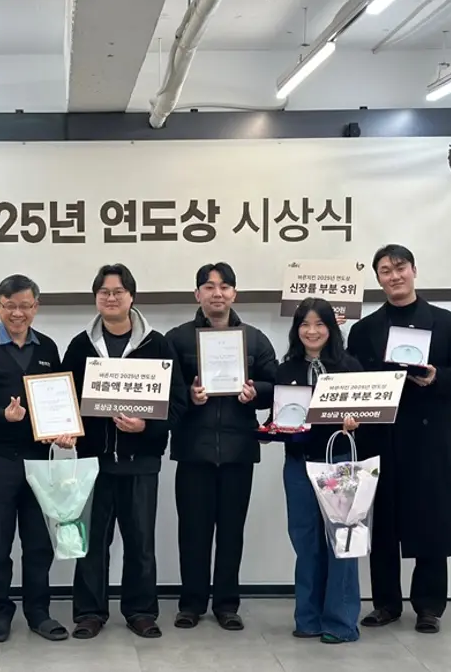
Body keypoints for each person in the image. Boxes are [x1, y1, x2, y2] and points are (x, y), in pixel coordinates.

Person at [348, 244, 451, 635]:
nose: (394, 276)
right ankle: (386, 603)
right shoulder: (364, 329)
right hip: (380, 439)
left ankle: (429, 607)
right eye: (385, 271)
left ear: (414, 270)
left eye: (400, 267)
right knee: (383, 525)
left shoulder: (447, 322)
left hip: (430, 441)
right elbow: (351, 380)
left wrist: (438, 377)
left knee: (431, 523)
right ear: (378, 279)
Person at [61, 264, 186, 640]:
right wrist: (64, 429)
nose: (110, 298)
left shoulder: (157, 345)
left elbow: (178, 405)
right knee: (91, 544)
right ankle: (89, 613)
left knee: (141, 544)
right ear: (95, 298)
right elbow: (64, 399)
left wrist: (146, 427)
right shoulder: (81, 346)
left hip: (140, 463)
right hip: (93, 463)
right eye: (103, 292)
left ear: (132, 296)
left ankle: (141, 611)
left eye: (118, 291)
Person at [0, 274, 75, 643]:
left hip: (39, 459)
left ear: (36, 307)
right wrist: (1, 414)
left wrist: (63, 430)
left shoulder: (48, 348)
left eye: (25, 306)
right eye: (10, 306)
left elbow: (58, 397)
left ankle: (39, 612)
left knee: (39, 542)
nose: (18, 313)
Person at [165, 262, 278, 631]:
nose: (218, 293)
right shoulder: (178, 339)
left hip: (238, 451)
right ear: (197, 294)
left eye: (225, 286)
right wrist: (189, 395)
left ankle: (227, 604)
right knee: (192, 533)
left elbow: (276, 388)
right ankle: (191, 604)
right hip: (193, 451)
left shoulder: (255, 339)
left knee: (231, 533)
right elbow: (166, 393)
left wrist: (255, 392)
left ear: (234, 293)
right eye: (209, 286)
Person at [275, 297, 363, 644]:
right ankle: (308, 618)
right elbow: (279, 417)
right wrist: (273, 428)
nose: (312, 331)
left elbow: (370, 415)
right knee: (305, 541)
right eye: (304, 325)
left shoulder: (350, 367)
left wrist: (356, 423)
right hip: (298, 464)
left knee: (342, 543)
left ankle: (341, 623)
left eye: (320, 324)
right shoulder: (286, 370)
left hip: (339, 462)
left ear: (331, 328)